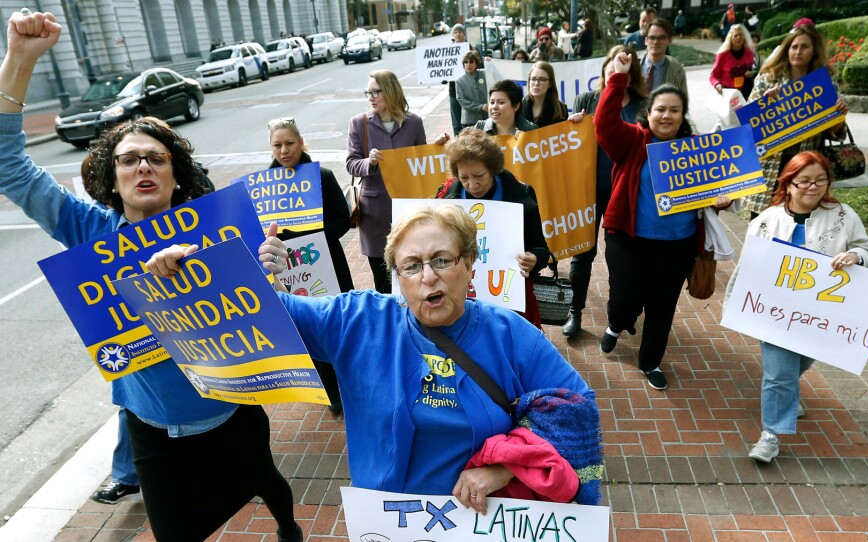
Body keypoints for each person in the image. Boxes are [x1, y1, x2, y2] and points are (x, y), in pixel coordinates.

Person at [0, 11, 300, 542]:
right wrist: (19, 60)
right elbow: (8, 165)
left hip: (233, 410)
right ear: (110, 178)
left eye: (155, 159)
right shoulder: (88, 229)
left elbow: (272, 314)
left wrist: (269, 269)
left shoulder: (217, 226)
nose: (143, 167)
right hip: (154, 430)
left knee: (270, 485)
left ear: (173, 171)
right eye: (129, 159)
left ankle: (287, 528)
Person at [147, 203, 597, 512]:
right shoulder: (358, 320)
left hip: (480, 522)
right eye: (412, 265)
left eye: (443, 259)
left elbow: (577, 408)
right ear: (396, 275)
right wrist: (192, 276)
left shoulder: (510, 334)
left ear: (469, 264)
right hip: (388, 524)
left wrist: (505, 467)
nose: (428, 276)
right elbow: (270, 315)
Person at [593, 50, 731, 391]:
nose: (666, 116)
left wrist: (721, 201)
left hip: (677, 246)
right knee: (625, 298)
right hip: (628, 238)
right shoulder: (632, 140)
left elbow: (716, 191)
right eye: (660, 109)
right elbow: (603, 123)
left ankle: (650, 361)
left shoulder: (696, 150)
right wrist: (618, 78)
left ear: (683, 115)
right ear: (648, 113)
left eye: (674, 110)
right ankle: (617, 324)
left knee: (661, 307)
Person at [732, 151, 868, 463]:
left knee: (802, 361)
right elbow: (749, 265)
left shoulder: (843, 215)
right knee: (778, 371)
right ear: (789, 183)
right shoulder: (768, 220)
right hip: (775, 311)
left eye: (820, 181)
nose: (813, 187)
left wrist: (856, 257)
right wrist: (740, 302)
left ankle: (787, 393)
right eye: (805, 181)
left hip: (821, 313)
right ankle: (770, 435)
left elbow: (866, 249)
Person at [268, 116, 353, 416]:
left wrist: (313, 237)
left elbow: (343, 220)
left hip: (328, 263)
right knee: (306, 328)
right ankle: (332, 393)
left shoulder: (323, 177)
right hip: (290, 271)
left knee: (341, 323)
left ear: (301, 143)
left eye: (289, 143)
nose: (284, 150)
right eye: (277, 145)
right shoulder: (264, 189)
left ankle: (352, 383)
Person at [564, 45, 646, 338]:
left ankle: (621, 314)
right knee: (582, 254)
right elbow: (570, 144)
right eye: (611, 66)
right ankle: (575, 313)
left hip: (624, 194)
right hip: (589, 191)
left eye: (621, 67)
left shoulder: (642, 104)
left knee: (621, 258)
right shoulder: (588, 99)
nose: (614, 71)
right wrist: (573, 125)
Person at [437, 128, 550, 328]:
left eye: (479, 175)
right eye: (464, 178)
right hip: (461, 304)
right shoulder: (445, 199)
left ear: (493, 169)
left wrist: (535, 259)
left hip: (509, 305)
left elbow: (540, 248)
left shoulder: (522, 198)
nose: (472, 185)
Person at [739, 23, 848, 220]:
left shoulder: (824, 83)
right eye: (794, 46)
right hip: (770, 165)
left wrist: (838, 115)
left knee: (798, 219)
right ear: (786, 49)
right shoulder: (767, 78)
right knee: (764, 221)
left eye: (805, 47)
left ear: (814, 51)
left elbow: (835, 132)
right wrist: (766, 104)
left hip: (804, 164)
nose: (798, 52)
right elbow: (748, 125)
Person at [346, 70, 427, 293]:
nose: (370, 97)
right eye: (368, 92)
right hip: (375, 214)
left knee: (411, 272)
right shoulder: (359, 123)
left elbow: (424, 163)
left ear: (390, 91)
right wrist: (369, 163)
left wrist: (438, 147)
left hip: (408, 209)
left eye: (376, 92)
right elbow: (351, 163)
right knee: (382, 280)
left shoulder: (414, 123)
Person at [640, 18, 687, 97]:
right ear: (646, 40)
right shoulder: (633, 65)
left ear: (670, 40)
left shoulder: (677, 71)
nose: (656, 42)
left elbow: (683, 103)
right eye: (652, 37)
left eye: (661, 38)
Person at [710, 24, 757, 99]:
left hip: (747, 92)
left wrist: (752, 73)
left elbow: (756, 69)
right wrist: (717, 84)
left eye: (741, 35)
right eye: (736, 35)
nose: (738, 38)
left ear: (744, 37)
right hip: (729, 93)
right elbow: (713, 76)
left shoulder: (750, 52)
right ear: (730, 38)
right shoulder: (722, 55)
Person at [521, 61, 568, 127]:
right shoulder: (519, 107)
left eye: (542, 79)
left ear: (550, 83)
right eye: (533, 79)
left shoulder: (561, 110)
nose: (536, 83)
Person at [448, 23, 473, 136]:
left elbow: (479, 64)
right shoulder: (447, 50)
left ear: (464, 34)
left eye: (460, 32)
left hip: (469, 89)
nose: (458, 34)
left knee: (470, 121)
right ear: (453, 35)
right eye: (455, 32)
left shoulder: (470, 48)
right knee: (456, 121)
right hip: (454, 90)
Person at [455, 50, 488, 130]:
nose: (468, 65)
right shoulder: (459, 81)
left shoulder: (484, 74)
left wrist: (489, 62)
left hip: (486, 118)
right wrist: (480, 107)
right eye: (466, 62)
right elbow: (462, 100)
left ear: (476, 63)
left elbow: (494, 71)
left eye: (471, 62)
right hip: (470, 121)